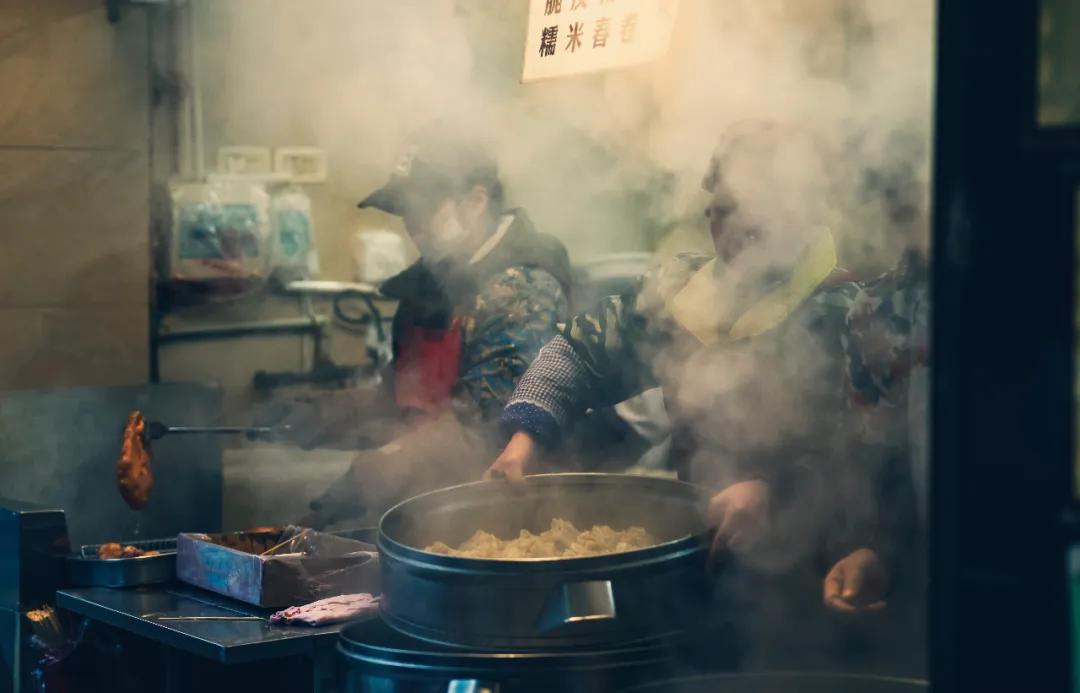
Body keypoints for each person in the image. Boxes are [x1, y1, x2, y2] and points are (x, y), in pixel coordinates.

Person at [487, 122, 907, 618]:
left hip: (816, 575)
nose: (716, 218)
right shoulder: (681, 290)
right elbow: (578, 350)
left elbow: (881, 464)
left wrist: (777, 489)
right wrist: (525, 436)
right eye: (716, 205)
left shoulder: (855, 310)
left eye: (737, 205)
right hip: (694, 561)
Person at [296, 123, 571, 528]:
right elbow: (403, 394)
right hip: (432, 506)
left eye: (424, 207)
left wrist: (375, 472)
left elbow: (485, 423)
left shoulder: (523, 285)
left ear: (476, 201)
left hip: (511, 515)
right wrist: (322, 414)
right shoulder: (436, 279)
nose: (412, 224)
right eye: (405, 210)